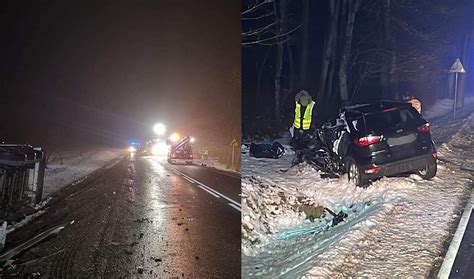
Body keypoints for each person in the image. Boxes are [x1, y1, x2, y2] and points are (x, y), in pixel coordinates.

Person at [290, 90, 319, 165]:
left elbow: (315, 117)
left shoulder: (311, 106)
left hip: (308, 129)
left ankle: (307, 159)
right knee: (298, 145)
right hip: (298, 128)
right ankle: (298, 158)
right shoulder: (297, 105)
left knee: (308, 146)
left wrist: (313, 127)